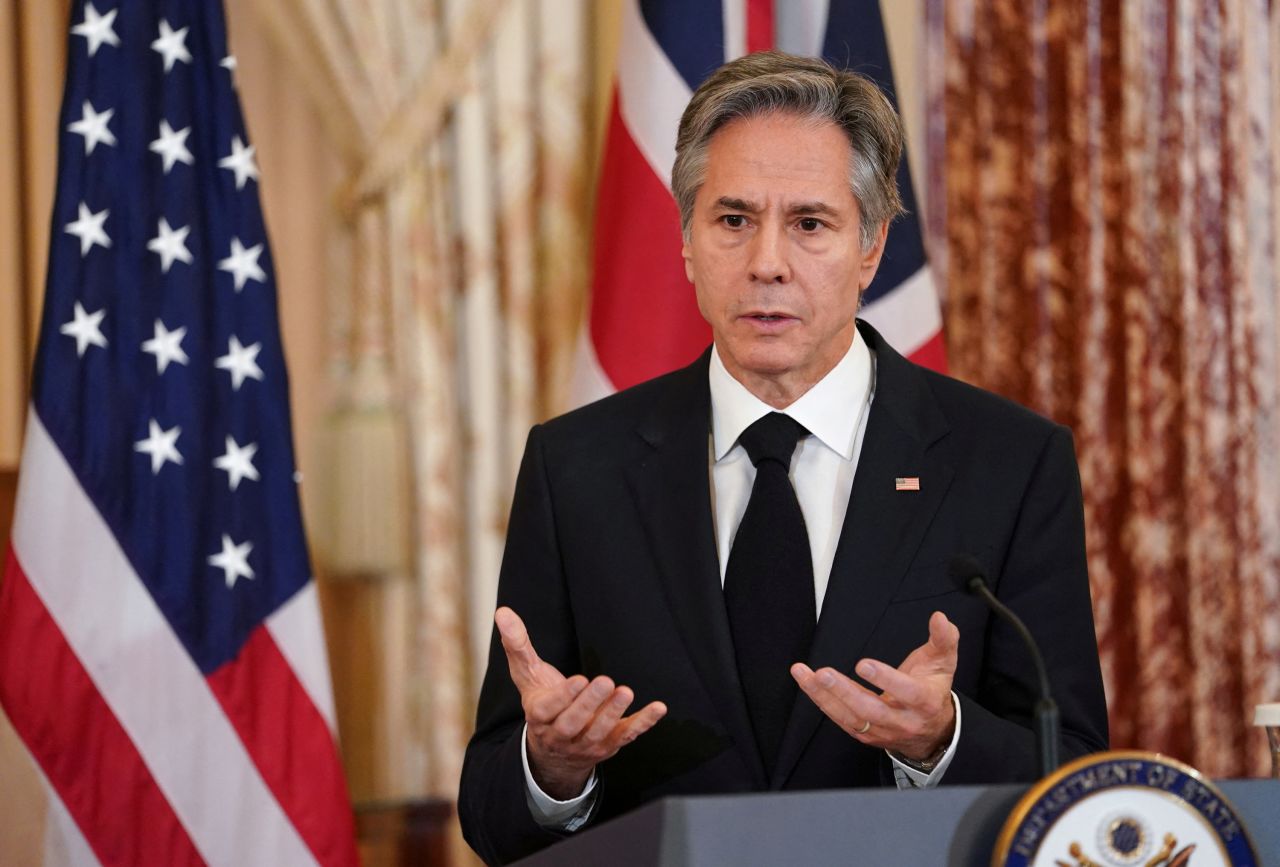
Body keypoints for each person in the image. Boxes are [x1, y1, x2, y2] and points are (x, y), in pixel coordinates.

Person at [459, 50, 1109, 866]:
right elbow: (489, 812)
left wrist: (940, 740)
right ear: (688, 242)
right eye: (732, 220)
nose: (767, 261)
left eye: (809, 223)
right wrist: (552, 768)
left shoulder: (1008, 464)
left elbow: (1079, 781)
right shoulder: (575, 468)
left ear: (870, 247)